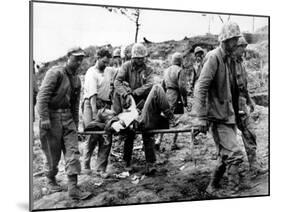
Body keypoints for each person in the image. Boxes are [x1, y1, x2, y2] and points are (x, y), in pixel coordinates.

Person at [193, 22, 245, 195]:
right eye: (235, 39)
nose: (237, 42)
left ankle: (211, 187)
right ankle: (233, 192)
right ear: (226, 40)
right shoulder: (213, 57)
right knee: (234, 154)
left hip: (228, 114)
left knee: (226, 155)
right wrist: (201, 117)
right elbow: (201, 87)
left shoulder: (228, 59)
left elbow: (232, 88)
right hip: (217, 115)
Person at [113, 43, 177, 175]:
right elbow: (117, 82)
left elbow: (149, 85)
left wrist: (135, 92)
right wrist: (126, 94)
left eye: (142, 58)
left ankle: (150, 163)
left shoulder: (148, 69)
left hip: (145, 105)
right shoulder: (126, 67)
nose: (141, 61)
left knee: (148, 131)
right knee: (130, 133)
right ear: (133, 58)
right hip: (130, 107)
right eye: (138, 58)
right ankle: (127, 162)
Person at [37, 47, 91, 200]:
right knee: (52, 155)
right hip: (51, 118)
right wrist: (45, 118)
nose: (79, 62)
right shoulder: (55, 73)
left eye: (81, 58)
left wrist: (75, 124)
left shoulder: (76, 79)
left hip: (68, 119)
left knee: (73, 152)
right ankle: (50, 179)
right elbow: (42, 97)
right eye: (76, 58)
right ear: (68, 57)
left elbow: (75, 104)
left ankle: (73, 188)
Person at [233, 36, 265, 178]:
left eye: (245, 47)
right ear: (235, 47)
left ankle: (254, 166)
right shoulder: (229, 63)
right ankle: (231, 171)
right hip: (228, 104)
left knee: (250, 133)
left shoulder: (241, 63)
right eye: (242, 48)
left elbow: (243, 86)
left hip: (240, 102)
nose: (244, 51)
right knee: (227, 138)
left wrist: (250, 101)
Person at [82, 48, 114, 177]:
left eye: (107, 62)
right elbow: (92, 96)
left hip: (105, 105)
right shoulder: (91, 73)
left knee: (107, 134)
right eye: (103, 62)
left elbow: (119, 71)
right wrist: (95, 115)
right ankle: (86, 164)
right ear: (98, 58)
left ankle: (101, 168)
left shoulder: (108, 70)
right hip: (91, 104)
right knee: (93, 134)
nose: (105, 64)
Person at [159, 52, 189, 150]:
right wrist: (185, 100)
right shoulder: (180, 70)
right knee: (177, 119)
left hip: (166, 94)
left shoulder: (166, 70)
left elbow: (162, 85)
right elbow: (182, 87)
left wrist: (163, 97)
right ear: (180, 61)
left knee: (165, 117)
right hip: (176, 95)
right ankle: (173, 143)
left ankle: (159, 139)